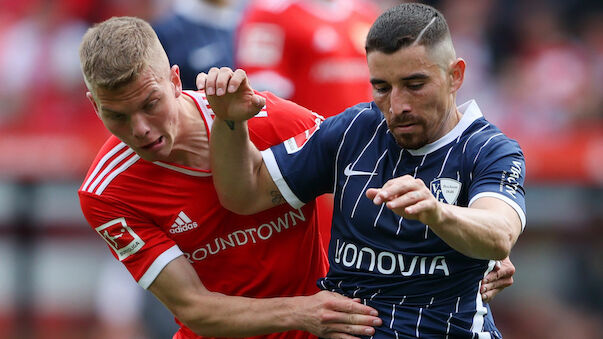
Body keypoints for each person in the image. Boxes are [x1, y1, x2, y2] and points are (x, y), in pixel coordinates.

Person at [202, 3, 526, 338]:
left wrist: (437, 212)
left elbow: (499, 232)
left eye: (415, 84)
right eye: (382, 87)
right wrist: (229, 121)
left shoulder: (490, 149)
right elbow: (244, 194)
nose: (397, 105)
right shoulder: (352, 131)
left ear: (455, 75)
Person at [77, 16, 382, 339]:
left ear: (176, 81)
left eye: (151, 104)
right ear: (95, 107)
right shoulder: (106, 192)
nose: (139, 129)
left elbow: (372, 182)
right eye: (117, 116)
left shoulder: (272, 120)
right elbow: (195, 308)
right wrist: (302, 311)